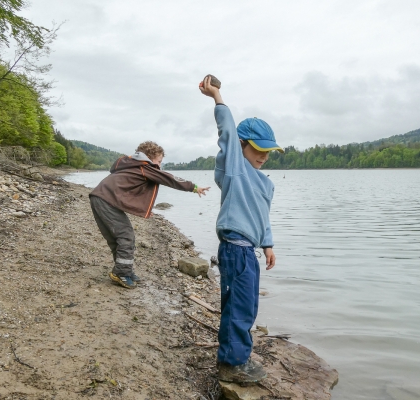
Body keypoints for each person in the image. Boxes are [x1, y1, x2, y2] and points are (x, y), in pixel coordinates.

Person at [199, 76, 283, 383]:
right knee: (240, 306)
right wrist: (217, 96)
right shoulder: (235, 168)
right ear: (242, 146)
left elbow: (262, 217)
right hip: (234, 248)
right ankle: (233, 364)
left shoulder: (266, 183)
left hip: (250, 251)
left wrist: (268, 244)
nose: (263, 155)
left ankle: (233, 356)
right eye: (258, 149)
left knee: (245, 304)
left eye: (268, 151)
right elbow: (227, 132)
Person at [89, 141, 210, 289]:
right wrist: (194, 187)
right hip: (106, 200)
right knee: (126, 236)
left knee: (117, 237)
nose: (159, 166)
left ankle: (124, 270)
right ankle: (121, 273)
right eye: (159, 162)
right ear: (150, 157)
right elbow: (169, 179)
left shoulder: (132, 166)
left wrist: (145, 209)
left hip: (100, 197)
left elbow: (128, 192)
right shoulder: (144, 167)